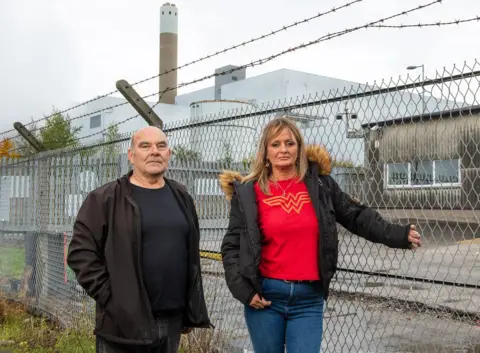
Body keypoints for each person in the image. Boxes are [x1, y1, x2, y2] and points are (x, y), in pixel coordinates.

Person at [218, 116, 421, 353]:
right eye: (275, 144)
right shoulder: (248, 194)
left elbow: (356, 216)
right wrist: (244, 291)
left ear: (299, 148)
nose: (283, 149)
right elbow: (231, 246)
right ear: (265, 152)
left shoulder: (320, 185)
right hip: (265, 297)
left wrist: (397, 234)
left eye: (289, 143)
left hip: (308, 298)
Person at [67, 126, 212, 353]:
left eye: (161, 146)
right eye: (145, 146)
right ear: (131, 155)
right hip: (123, 325)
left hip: (171, 322)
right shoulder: (105, 199)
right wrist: (113, 298)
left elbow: (189, 255)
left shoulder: (181, 196)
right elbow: (80, 253)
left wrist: (188, 309)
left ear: (168, 154)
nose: (154, 151)